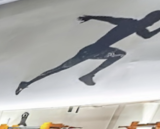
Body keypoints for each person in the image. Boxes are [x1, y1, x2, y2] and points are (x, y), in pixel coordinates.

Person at [16, 11, 160, 94]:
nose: (150, 24)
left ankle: (89, 75)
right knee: (61, 68)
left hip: (97, 50)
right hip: (93, 50)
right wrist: (90, 16)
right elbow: (109, 19)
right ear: (148, 18)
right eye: (151, 21)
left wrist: (90, 17)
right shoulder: (131, 23)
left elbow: (146, 36)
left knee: (119, 54)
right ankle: (28, 82)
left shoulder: (136, 27)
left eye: (152, 23)